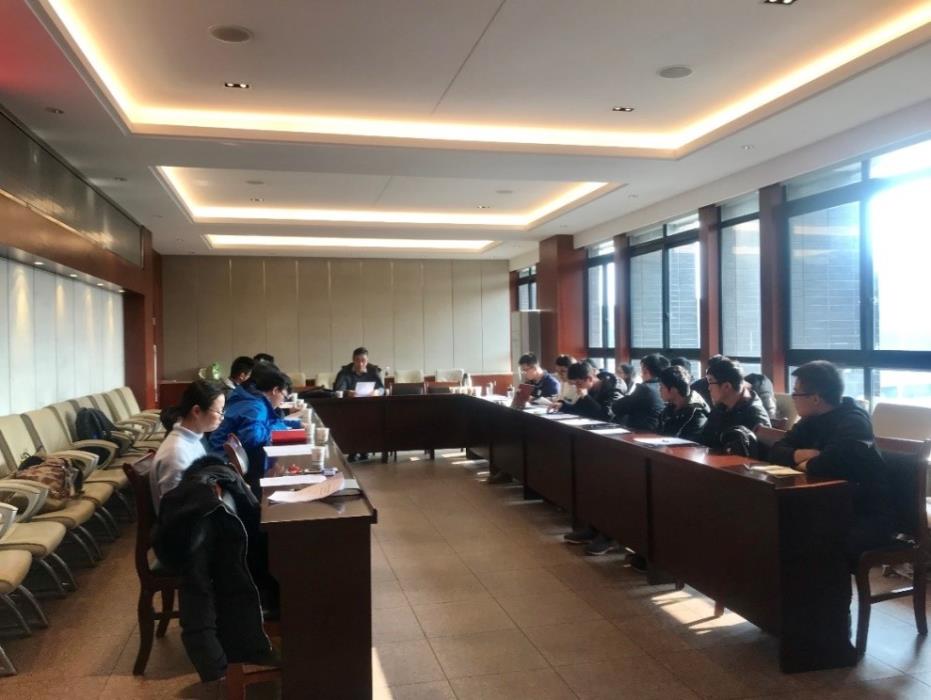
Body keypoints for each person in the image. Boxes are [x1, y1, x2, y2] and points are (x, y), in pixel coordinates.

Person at [153, 455, 276, 682]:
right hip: (239, 585)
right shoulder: (208, 506)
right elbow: (197, 591)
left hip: (176, 546)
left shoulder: (192, 495)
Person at [769, 361, 894, 567]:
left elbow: (828, 464)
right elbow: (776, 452)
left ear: (815, 398)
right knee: (775, 527)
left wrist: (802, 462)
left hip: (864, 514)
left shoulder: (854, 421)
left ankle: (820, 589)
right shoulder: (808, 420)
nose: (793, 398)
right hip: (828, 506)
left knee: (803, 538)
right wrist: (803, 455)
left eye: (796, 393)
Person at [208, 364, 301, 495]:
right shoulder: (255, 406)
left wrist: (295, 424)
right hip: (226, 464)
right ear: (275, 390)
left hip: (226, 459)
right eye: (284, 397)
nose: (282, 402)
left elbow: (266, 423)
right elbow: (252, 437)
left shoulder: (250, 398)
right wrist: (281, 428)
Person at [151, 379, 225, 511]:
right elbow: (175, 511)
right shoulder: (176, 454)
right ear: (196, 411)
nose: (222, 417)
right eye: (219, 411)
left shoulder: (192, 439)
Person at [700, 357, 771, 449]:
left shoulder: (754, 415)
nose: (708, 388)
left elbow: (756, 452)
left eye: (710, 382)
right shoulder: (721, 407)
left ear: (727, 386)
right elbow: (704, 439)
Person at [611, 354, 668, 431]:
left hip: (643, 432)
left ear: (645, 370)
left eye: (641, 369)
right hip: (658, 431)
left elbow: (617, 407)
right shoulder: (664, 387)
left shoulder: (645, 389)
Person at [553, 362, 622, 421]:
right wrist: (562, 406)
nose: (577, 387)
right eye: (575, 384)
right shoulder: (589, 388)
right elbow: (577, 409)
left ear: (590, 379)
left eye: (578, 383)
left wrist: (586, 397)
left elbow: (606, 416)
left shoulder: (614, 390)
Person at [657, 365, 709, 442]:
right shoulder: (670, 408)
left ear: (673, 390)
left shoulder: (697, 413)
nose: (659, 390)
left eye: (662, 387)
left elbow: (690, 443)